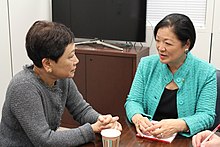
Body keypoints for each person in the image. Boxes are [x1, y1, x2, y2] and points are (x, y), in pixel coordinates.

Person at [0, 20, 122, 146]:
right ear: (47, 64)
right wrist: (91, 130)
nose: (77, 60)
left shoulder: (62, 78)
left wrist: (102, 121)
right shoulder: (23, 87)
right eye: (70, 56)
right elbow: (45, 141)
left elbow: (81, 110)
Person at [124, 13, 217, 139]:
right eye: (157, 40)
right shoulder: (146, 65)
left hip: (185, 140)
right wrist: (138, 117)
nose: (160, 48)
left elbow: (207, 115)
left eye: (167, 43)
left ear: (186, 44)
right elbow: (133, 101)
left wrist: (180, 124)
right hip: (148, 137)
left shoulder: (206, 72)